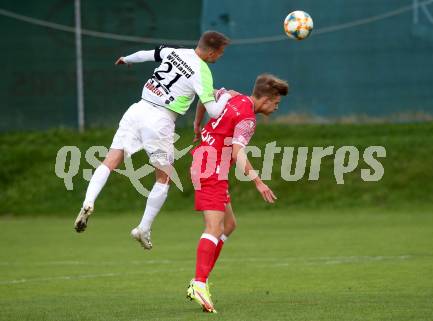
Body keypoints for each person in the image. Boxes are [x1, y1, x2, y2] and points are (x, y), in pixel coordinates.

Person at [74, 31, 233, 252]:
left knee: (110, 161)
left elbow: (145, 54)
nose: (220, 57)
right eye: (221, 53)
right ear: (213, 51)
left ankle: (88, 201)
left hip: (137, 109)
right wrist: (225, 95)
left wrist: (126, 59)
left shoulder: (175, 52)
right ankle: (143, 228)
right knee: (164, 177)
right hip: (160, 120)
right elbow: (214, 112)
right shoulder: (202, 72)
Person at [186, 74, 289, 313]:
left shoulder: (231, 95)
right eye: (276, 103)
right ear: (267, 98)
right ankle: (199, 283)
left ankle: (201, 280)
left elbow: (205, 97)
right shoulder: (248, 119)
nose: (276, 108)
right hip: (210, 168)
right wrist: (259, 183)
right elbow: (237, 154)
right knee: (213, 228)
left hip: (209, 165)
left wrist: (197, 124)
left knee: (229, 225)